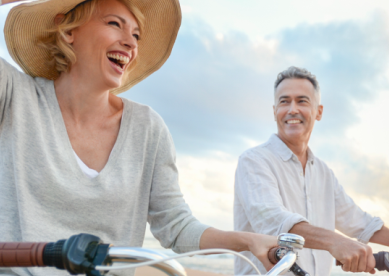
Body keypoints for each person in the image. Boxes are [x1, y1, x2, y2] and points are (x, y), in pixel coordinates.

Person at [0, 0, 278, 275]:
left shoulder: (148, 128)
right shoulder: (14, 94)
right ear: (67, 30)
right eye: (114, 24)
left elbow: (176, 226)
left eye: (136, 35)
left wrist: (248, 241)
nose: (131, 44)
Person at [234, 66, 389, 276]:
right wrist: (336, 242)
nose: (292, 109)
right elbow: (274, 222)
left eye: (302, 101)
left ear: (319, 112)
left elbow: (360, 222)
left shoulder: (324, 173)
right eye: (284, 101)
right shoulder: (253, 161)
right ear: (274, 111)